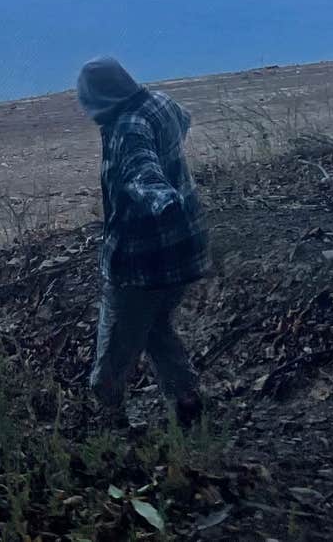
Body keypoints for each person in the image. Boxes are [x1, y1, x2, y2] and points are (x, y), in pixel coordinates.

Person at [76, 56, 208, 428]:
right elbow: (183, 119)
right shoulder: (160, 103)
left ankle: (110, 431)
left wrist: (162, 200)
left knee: (115, 347)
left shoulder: (126, 128)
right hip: (186, 250)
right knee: (155, 327)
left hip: (142, 260)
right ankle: (187, 400)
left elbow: (140, 171)